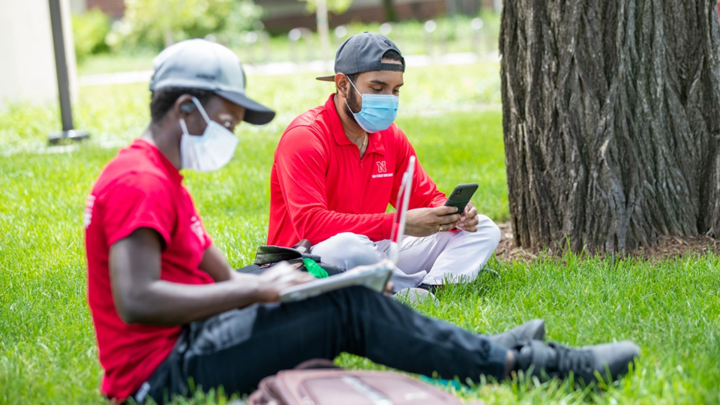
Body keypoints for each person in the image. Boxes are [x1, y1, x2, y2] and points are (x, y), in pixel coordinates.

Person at [84, 39, 639, 404]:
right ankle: (529, 363)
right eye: (227, 121)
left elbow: (222, 278)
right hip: (160, 376)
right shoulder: (139, 181)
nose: (230, 133)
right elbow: (136, 300)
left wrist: (272, 288)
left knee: (344, 299)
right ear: (185, 109)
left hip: (194, 342)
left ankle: (487, 350)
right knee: (349, 303)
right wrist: (263, 288)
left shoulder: (160, 178)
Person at [268, 32, 501, 292]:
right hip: (307, 257)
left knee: (485, 229)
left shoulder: (389, 136)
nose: (389, 99)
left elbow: (425, 197)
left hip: (373, 245)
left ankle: (430, 288)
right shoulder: (305, 137)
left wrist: (452, 214)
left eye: (396, 90)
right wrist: (398, 224)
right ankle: (412, 288)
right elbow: (310, 225)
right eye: (378, 89)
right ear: (343, 85)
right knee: (347, 246)